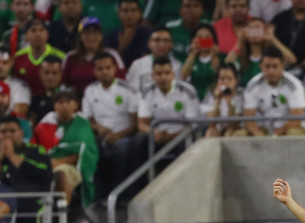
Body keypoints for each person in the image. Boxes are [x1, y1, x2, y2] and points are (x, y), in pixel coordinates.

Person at [82, 51, 141, 199]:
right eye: (100, 69)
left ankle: (118, 194)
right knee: (90, 148)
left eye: (108, 68)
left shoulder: (128, 90)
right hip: (100, 135)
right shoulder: (90, 91)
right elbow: (88, 120)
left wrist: (118, 135)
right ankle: (97, 195)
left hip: (124, 135)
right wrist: (98, 128)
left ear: (115, 68)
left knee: (121, 149)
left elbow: (135, 125)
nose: (105, 72)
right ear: (95, 71)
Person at [33, 87, 99, 209]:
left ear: (75, 105)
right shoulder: (46, 123)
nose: (64, 105)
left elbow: (79, 153)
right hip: (45, 164)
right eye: (60, 102)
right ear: (54, 105)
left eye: (68, 102)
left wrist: (53, 163)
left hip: (72, 167)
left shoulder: (81, 124)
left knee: (61, 173)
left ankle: (63, 214)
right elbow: (35, 148)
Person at [0, 114, 51, 223]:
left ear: (21, 133)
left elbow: (42, 174)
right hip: (4, 197)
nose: (7, 135)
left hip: (31, 198)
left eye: (12, 131)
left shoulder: (36, 150)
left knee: (25, 205)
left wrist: (11, 155)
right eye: (3, 131)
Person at [138, 55, 200, 149]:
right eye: (159, 73)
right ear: (153, 76)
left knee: (183, 143)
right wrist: (154, 132)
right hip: (158, 134)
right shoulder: (147, 92)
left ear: (173, 74)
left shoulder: (187, 91)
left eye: (167, 73)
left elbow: (192, 124)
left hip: (181, 135)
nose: (163, 77)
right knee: (138, 141)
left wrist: (171, 136)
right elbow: (142, 124)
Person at [243, 48, 305, 136]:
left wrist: (276, 135)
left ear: (282, 66)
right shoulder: (252, 86)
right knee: (241, 133)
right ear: (261, 66)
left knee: (294, 132)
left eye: (275, 66)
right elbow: (249, 119)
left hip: (287, 128)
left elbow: (296, 119)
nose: (271, 71)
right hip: (262, 128)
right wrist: (258, 135)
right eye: (267, 66)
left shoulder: (294, 85)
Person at [62, 17, 126, 99]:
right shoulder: (70, 57)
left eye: (95, 33)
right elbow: (64, 84)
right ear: (80, 36)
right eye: (87, 33)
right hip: (76, 102)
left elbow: (121, 82)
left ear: (101, 35)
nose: (91, 37)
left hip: (107, 100)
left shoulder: (112, 55)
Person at [224, 18, 296, 86]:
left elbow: (291, 60)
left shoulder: (271, 57)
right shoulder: (242, 59)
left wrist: (272, 39)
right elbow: (227, 64)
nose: (255, 32)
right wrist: (240, 41)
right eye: (251, 29)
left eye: (258, 28)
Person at [12, 18, 65, 97]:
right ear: (26, 36)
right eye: (33, 30)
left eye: (41, 30)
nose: (38, 34)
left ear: (47, 34)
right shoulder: (18, 57)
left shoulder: (61, 57)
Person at [127, 26, 182, 94]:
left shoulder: (178, 65)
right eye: (157, 40)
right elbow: (132, 91)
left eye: (166, 41)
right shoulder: (138, 65)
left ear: (172, 44)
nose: (161, 44)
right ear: (149, 43)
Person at [104, 0, 153, 69]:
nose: (129, 14)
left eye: (133, 10)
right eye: (125, 11)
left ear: (140, 13)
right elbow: (109, 63)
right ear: (119, 14)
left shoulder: (149, 33)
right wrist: (122, 46)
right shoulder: (111, 36)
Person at [202, 62, 245, 137]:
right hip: (219, 129)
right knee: (210, 132)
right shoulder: (211, 95)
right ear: (217, 80)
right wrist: (218, 100)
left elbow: (234, 124)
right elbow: (212, 124)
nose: (226, 82)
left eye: (229, 79)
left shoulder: (242, 95)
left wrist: (230, 103)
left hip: (236, 128)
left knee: (230, 132)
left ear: (236, 81)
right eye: (222, 79)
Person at [180, 23, 221, 101]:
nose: (203, 40)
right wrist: (193, 53)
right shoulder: (190, 59)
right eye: (200, 38)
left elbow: (217, 74)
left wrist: (214, 56)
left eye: (207, 37)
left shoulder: (219, 58)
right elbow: (183, 76)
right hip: (194, 99)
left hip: (214, 99)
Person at [27, 54, 61, 125]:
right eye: (46, 72)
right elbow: (31, 124)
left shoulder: (69, 98)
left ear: (61, 74)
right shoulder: (35, 100)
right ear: (40, 73)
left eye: (54, 73)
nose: (50, 77)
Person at [0, 43, 30, 116]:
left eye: (5, 63)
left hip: (8, 125)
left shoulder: (20, 86)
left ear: (11, 63)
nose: (0, 67)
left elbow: (19, 115)